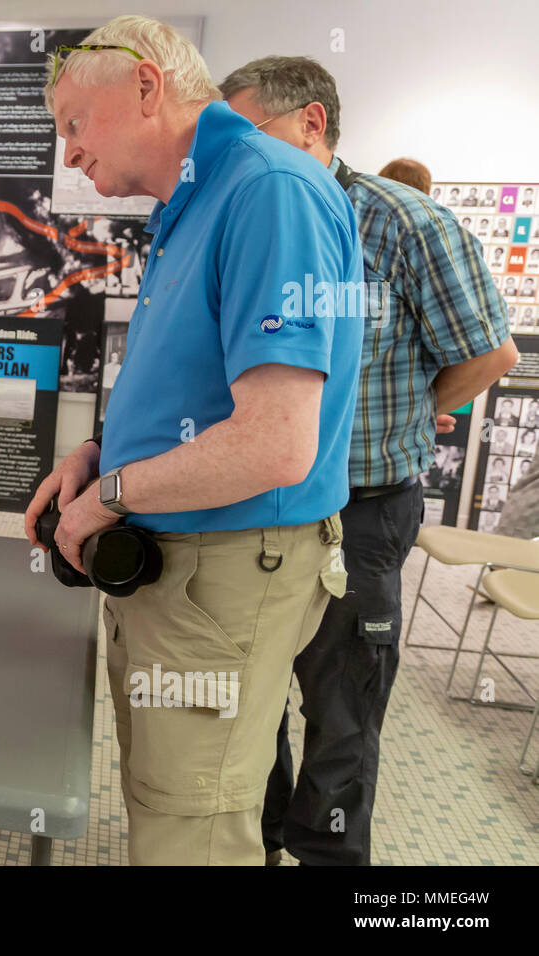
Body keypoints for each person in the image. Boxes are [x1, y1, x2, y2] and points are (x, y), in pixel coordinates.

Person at [28, 16, 361, 867]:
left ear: (146, 85)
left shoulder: (267, 189)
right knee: (164, 800)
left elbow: (277, 445)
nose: (69, 153)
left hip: (224, 571)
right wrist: (102, 454)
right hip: (181, 566)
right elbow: (200, 390)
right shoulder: (194, 200)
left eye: (73, 124)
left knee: (194, 828)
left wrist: (110, 498)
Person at [222, 55, 517, 866]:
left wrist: (402, 417)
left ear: (311, 123)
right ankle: (264, 842)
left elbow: (489, 353)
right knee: (250, 707)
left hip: (360, 511)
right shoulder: (244, 215)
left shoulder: (404, 222)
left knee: (342, 711)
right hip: (253, 506)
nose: (233, 154)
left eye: (250, 132)